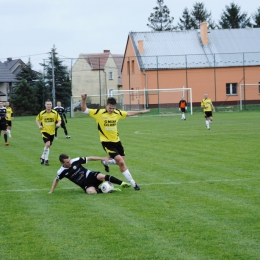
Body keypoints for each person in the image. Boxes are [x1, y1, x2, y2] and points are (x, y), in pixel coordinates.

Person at [81, 93, 150, 191]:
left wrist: (142, 112)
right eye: (110, 108)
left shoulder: (117, 113)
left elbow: (128, 113)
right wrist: (83, 100)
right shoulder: (99, 113)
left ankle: (106, 161)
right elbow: (84, 110)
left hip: (117, 142)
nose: (111, 110)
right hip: (107, 142)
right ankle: (134, 184)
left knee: (122, 162)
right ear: (106, 105)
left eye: (113, 108)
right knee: (121, 162)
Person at [49, 153, 131, 194]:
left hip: (90, 175)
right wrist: (51, 191)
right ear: (62, 163)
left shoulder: (76, 160)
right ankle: (108, 190)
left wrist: (102, 158)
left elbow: (90, 158)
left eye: (69, 160)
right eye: (67, 162)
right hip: (85, 184)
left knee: (101, 176)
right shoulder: (61, 171)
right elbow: (56, 179)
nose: (70, 162)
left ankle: (122, 183)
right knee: (91, 192)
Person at [36, 99, 61, 166]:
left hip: (52, 132)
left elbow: (59, 120)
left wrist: (58, 124)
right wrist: (39, 126)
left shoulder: (55, 113)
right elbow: (37, 119)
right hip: (44, 131)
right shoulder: (42, 113)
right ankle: (46, 160)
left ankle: (42, 157)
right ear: (45, 105)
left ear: (52, 105)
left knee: (48, 146)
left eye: (50, 104)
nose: (49, 106)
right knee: (48, 144)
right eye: (47, 104)